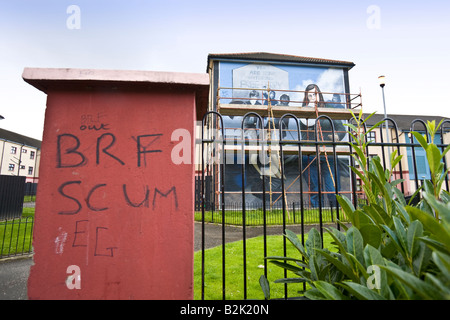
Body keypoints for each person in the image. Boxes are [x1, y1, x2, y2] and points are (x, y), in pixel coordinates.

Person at [300, 84, 344, 207]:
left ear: (319, 94)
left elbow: (341, 128)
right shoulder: (303, 110)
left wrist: (337, 136)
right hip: (309, 153)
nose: (313, 97)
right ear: (307, 97)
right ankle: (316, 214)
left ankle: (335, 213)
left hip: (328, 152)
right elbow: (302, 133)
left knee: (332, 188)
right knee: (314, 188)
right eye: (310, 95)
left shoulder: (329, 108)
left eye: (315, 94)